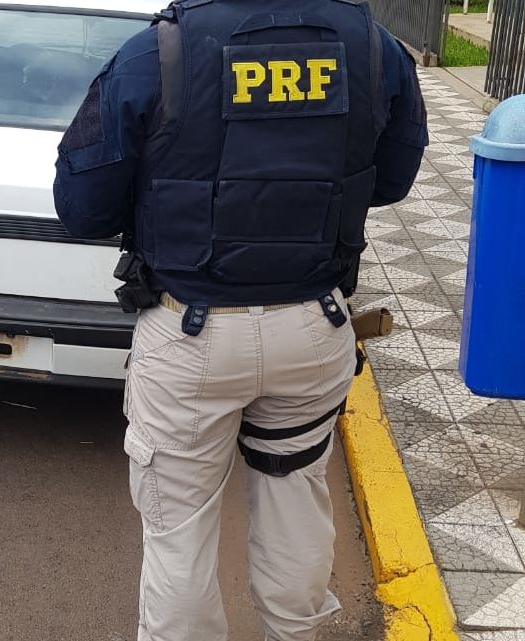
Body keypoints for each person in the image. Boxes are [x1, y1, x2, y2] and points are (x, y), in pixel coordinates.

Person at [52, 1, 427, 640]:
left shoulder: (159, 50)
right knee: (295, 507)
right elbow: (393, 179)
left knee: (179, 533)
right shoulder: (371, 45)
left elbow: (81, 205)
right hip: (312, 330)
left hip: (190, 336)